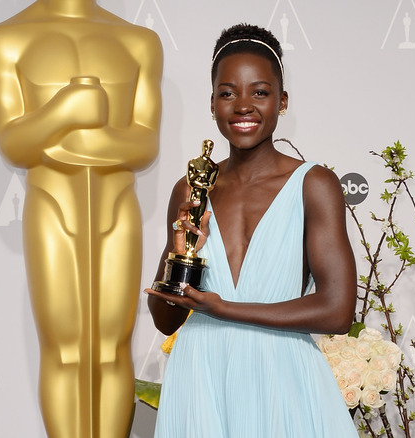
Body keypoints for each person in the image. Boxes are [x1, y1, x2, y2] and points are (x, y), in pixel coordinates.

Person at [145, 23, 359, 437]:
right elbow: (164, 319)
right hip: (201, 380)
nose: (243, 105)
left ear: (282, 101)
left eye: (259, 92)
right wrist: (180, 253)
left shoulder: (314, 185)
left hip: (282, 380)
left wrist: (223, 309)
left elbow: (337, 311)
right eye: (228, 93)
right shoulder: (192, 188)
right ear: (212, 104)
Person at [0, 1, 162, 437]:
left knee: (112, 350)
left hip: (118, 207)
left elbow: (145, 145)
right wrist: (65, 110)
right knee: (63, 350)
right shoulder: (6, 40)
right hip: (51, 205)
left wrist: (60, 140)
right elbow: (13, 144)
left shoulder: (139, 42)